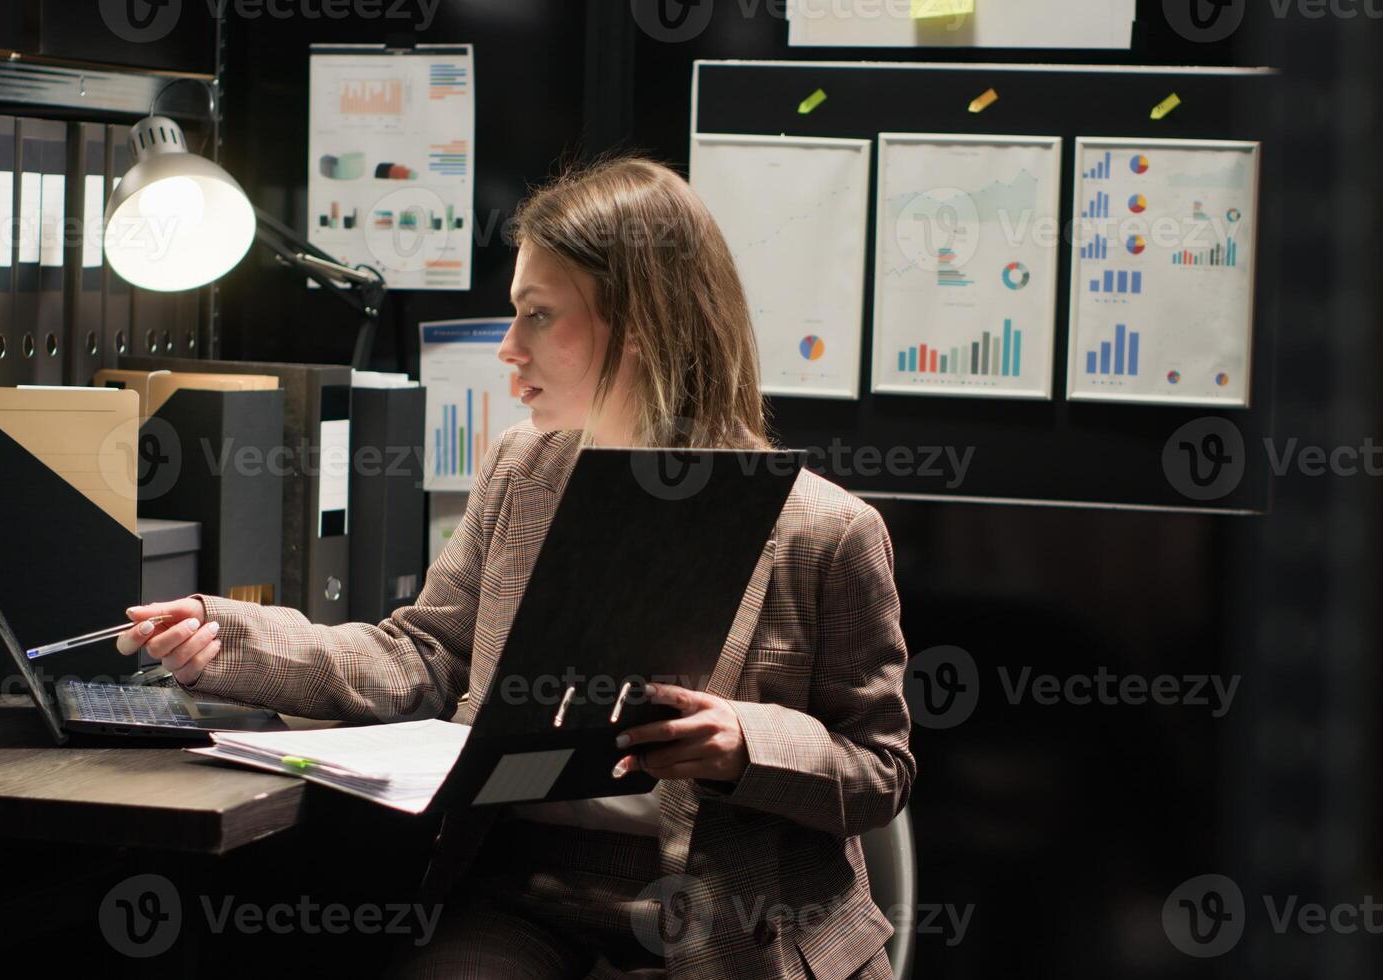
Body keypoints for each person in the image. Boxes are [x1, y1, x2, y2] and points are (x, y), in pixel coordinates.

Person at [118, 154, 915, 979]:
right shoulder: (522, 472)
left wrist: (745, 743)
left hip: (727, 911)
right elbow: (422, 656)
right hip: (527, 891)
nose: (506, 349)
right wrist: (233, 638)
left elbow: (879, 770)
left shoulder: (825, 529)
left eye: (537, 316)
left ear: (638, 323)